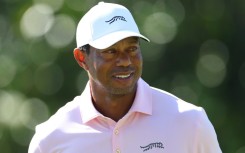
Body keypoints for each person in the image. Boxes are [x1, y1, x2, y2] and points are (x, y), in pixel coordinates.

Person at [28, 2, 222, 153]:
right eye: (110, 51)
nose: (125, 61)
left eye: (132, 49)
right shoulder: (50, 139)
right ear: (82, 58)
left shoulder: (190, 122)